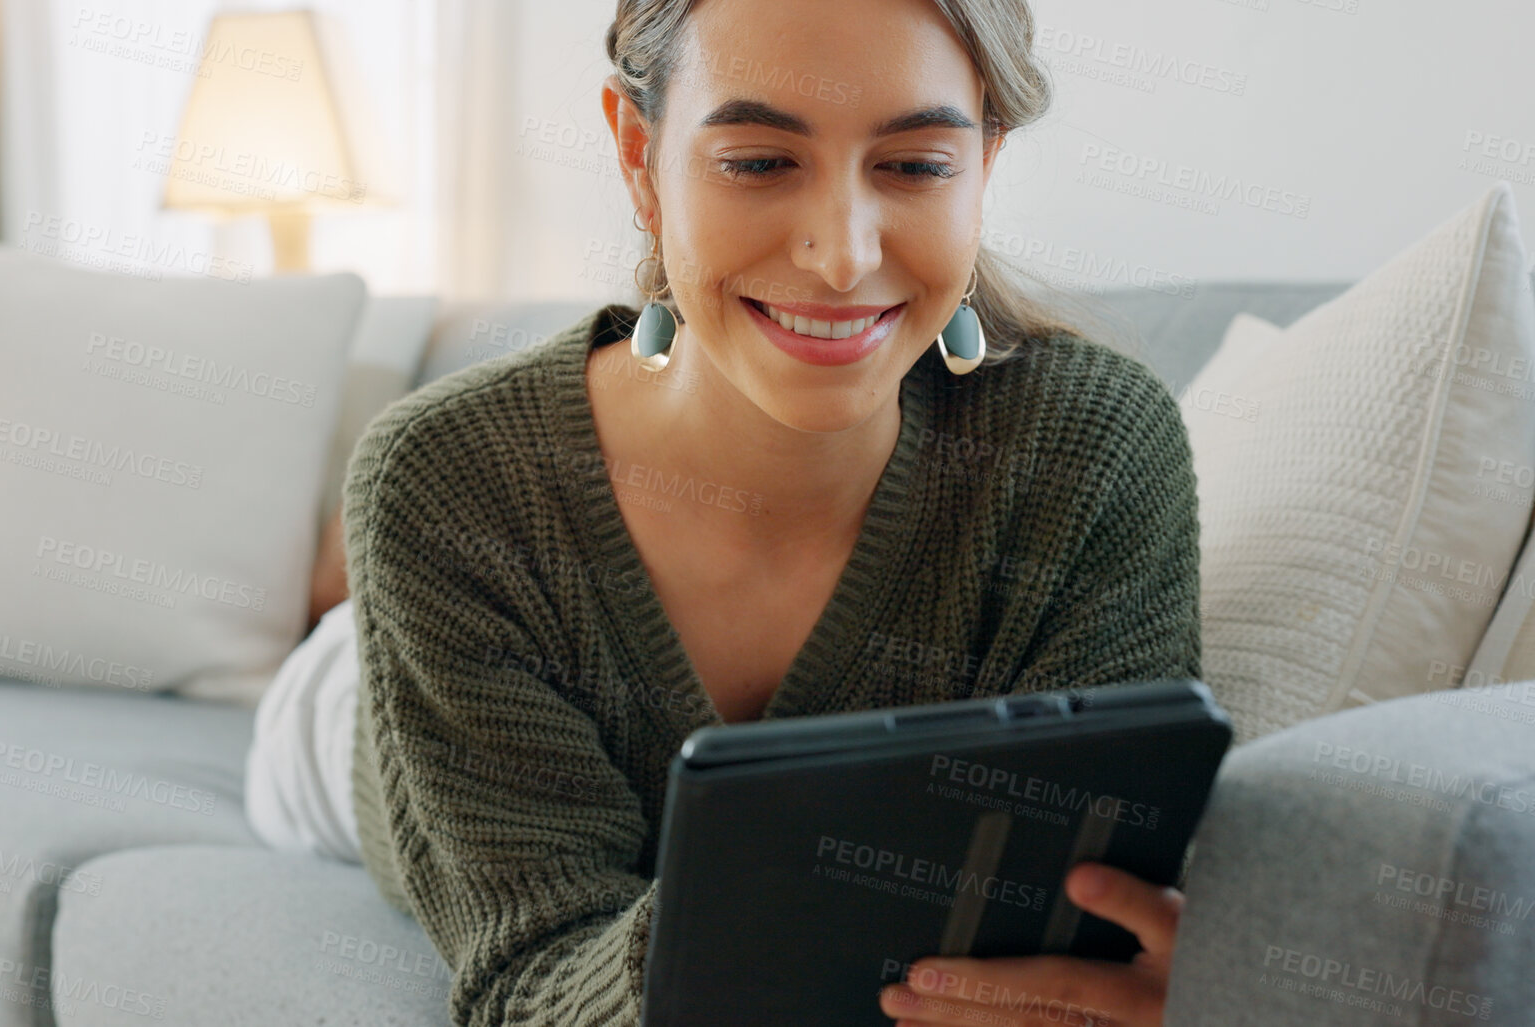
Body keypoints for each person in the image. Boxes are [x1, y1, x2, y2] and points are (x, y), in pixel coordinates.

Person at [253, 0, 1201, 1023]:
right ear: (637, 151)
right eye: (758, 161)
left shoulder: (1096, 450)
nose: (841, 256)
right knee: (338, 655)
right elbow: (533, 987)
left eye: (916, 165)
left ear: (987, 159)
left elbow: (1085, 926)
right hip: (338, 721)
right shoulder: (443, 480)